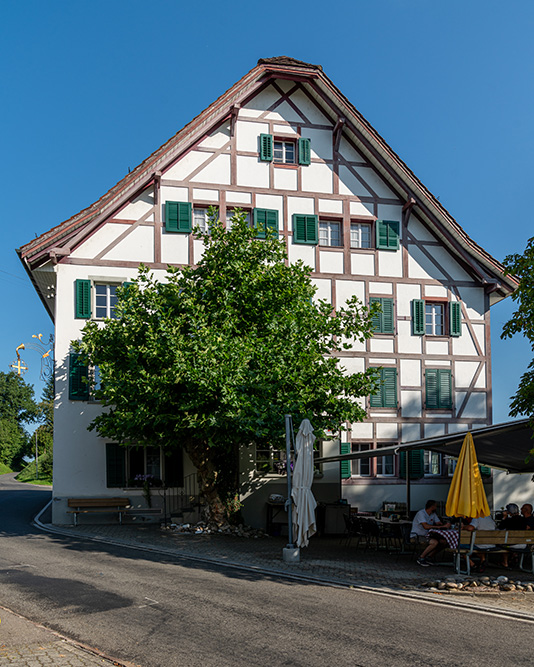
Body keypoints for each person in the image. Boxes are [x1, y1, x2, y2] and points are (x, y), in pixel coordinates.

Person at [411, 499, 451, 567]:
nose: (436, 508)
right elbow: (425, 526)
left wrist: (444, 524)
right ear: (432, 507)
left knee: (444, 542)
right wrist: (440, 527)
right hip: (418, 535)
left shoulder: (433, 514)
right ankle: (421, 557)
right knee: (434, 542)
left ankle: (429, 557)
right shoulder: (421, 513)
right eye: (435, 506)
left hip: (428, 535)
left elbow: (438, 523)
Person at [498, 503, 526, 568]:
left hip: (512, 544)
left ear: (509, 512)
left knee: (502, 544)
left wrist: (504, 517)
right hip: (523, 544)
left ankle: (505, 562)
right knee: (510, 542)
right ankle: (514, 555)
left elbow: (499, 529)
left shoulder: (508, 521)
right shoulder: (524, 520)